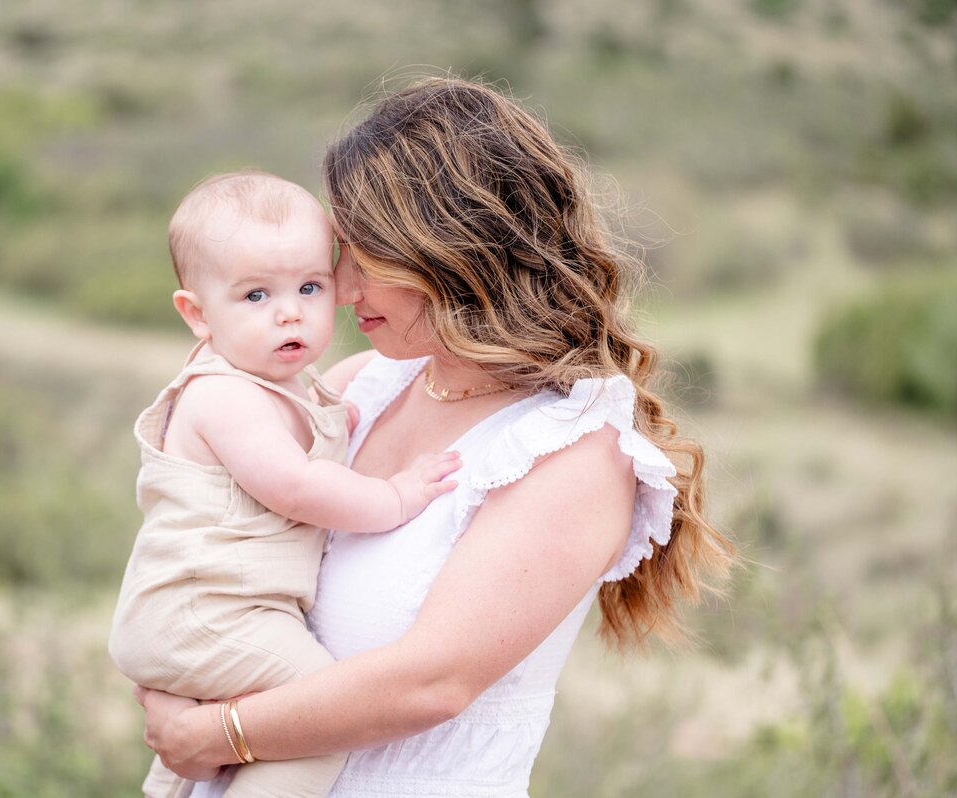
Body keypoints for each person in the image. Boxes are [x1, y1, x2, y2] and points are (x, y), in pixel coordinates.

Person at [133, 78, 736, 798]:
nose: (342, 289)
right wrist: (164, 682)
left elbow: (432, 682)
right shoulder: (363, 385)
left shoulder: (574, 453)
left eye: (365, 258)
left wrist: (214, 734)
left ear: (448, 255)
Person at [108, 171, 462, 798]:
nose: (289, 311)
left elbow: (311, 436)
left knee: (208, 751)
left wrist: (337, 423)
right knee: (318, 716)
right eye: (254, 297)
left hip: (222, 612)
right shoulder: (221, 395)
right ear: (197, 314)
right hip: (205, 614)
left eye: (309, 286)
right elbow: (297, 487)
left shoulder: (296, 387)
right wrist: (397, 496)